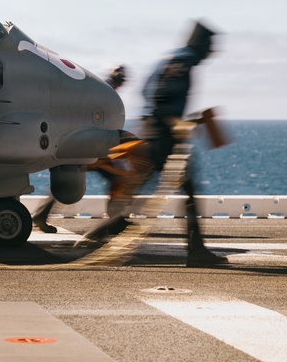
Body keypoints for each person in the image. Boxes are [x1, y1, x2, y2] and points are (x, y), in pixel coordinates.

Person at [76, 20, 226, 267]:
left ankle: (96, 234)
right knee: (188, 191)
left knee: (138, 188)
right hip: (163, 137)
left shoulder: (167, 59)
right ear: (201, 44)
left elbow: (147, 91)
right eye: (210, 45)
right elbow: (161, 93)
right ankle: (197, 251)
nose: (212, 50)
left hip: (153, 131)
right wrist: (172, 121)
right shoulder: (184, 61)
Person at [31, 64, 129, 234]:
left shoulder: (100, 89)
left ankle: (41, 215)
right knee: (112, 177)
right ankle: (115, 220)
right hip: (89, 147)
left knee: (67, 180)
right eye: (121, 79)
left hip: (87, 145)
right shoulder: (105, 92)